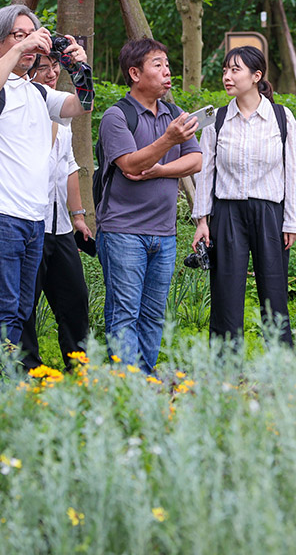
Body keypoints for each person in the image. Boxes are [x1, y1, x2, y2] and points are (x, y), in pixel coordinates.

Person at [0, 4, 93, 360]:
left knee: (22, 310)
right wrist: (23, 49)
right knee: (3, 307)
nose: (29, 43)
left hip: (35, 218)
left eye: (31, 35)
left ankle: (13, 380)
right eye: (18, 36)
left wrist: (78, 67)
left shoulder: (39, 93)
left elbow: (82, 106)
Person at [96, 38, 201, 373]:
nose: (167, 70)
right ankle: (128, 386)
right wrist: (168, 141)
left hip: (165, 233)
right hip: (123, 231)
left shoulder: (175, 114)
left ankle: (146, 380)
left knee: (154, 314)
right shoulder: (117, 116)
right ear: (135, 73)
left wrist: (160, 171)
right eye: (157, 64)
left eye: (167, 64)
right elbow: (129, 164)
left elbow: (196, 161)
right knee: (124, 313)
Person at [191, 46, 296, 348]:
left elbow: (293, 171)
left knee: (274, 290)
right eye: (226, 70)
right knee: (225, 291)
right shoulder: (215, 120)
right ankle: (225, 367)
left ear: (257, 76)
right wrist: (202, 220)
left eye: (235, 70)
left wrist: (293, 221)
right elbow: (206, 173)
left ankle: (279, 363)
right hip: (227, 214)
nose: (227, 76)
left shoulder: (281, 117)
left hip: (270, 214)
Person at [18, 52, 94, 370]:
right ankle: (28, 369)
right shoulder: (19, 112)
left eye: (54, 67)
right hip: (26, 221)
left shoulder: (61, 115)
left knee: (75, 297)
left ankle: (80, 366)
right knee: (25, 304)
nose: (51, 74)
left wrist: (78, 216)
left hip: (60, 226)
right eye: (43, 68)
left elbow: (69, 168)